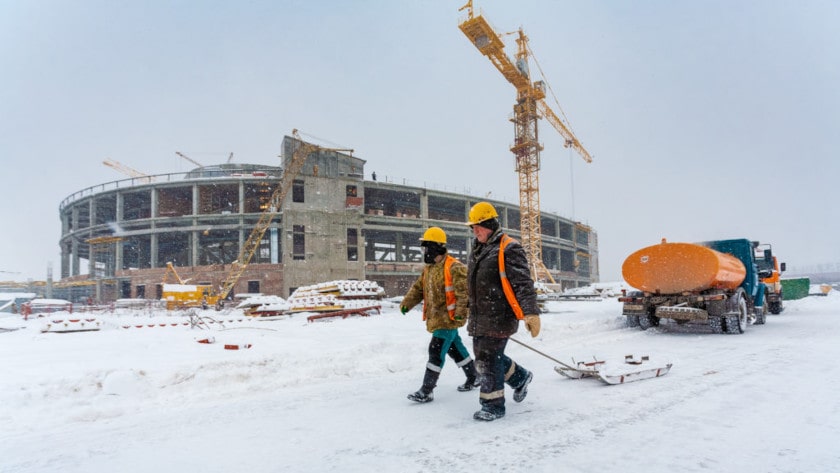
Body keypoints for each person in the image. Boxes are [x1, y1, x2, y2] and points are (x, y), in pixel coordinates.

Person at [464, 201, 541, 421]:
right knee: (485, 357)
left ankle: (493, 405)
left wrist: (531, 312)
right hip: (480, 317)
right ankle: (520, 377)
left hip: (500, 316)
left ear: (490, 223)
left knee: (487, 360)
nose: (475, 230)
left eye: (478, 226)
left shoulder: (509, 248)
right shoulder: (478, 250)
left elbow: (523, 284)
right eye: (473, 227)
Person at [400, 226, 479, 403]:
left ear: (436, 247)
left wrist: (460, 314)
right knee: (455, 348)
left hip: (449, 319)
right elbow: (418, 288)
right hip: (436, 319)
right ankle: (474, 377)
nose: (425, 251)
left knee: (435, 350)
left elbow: (463, 294)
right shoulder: (429, 269)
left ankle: (427, 390)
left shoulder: (454, 267)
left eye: (427, 247)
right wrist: (407, 303)